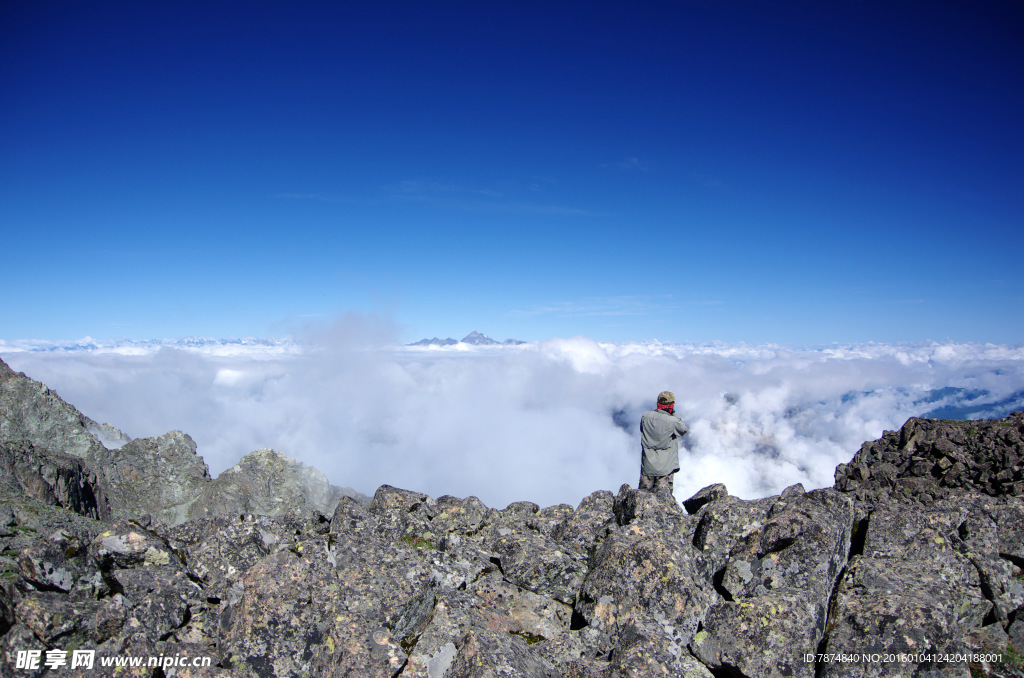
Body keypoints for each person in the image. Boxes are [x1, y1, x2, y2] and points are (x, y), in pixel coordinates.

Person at [639, 391, 688, 497]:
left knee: (643, 498)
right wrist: (674, 413)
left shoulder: (645, 417)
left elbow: (642, 429)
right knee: (663, 501)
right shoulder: (673, 421)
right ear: (671, 405)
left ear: (658, 403)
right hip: (665, 469)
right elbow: (683, 429)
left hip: (647, 467)